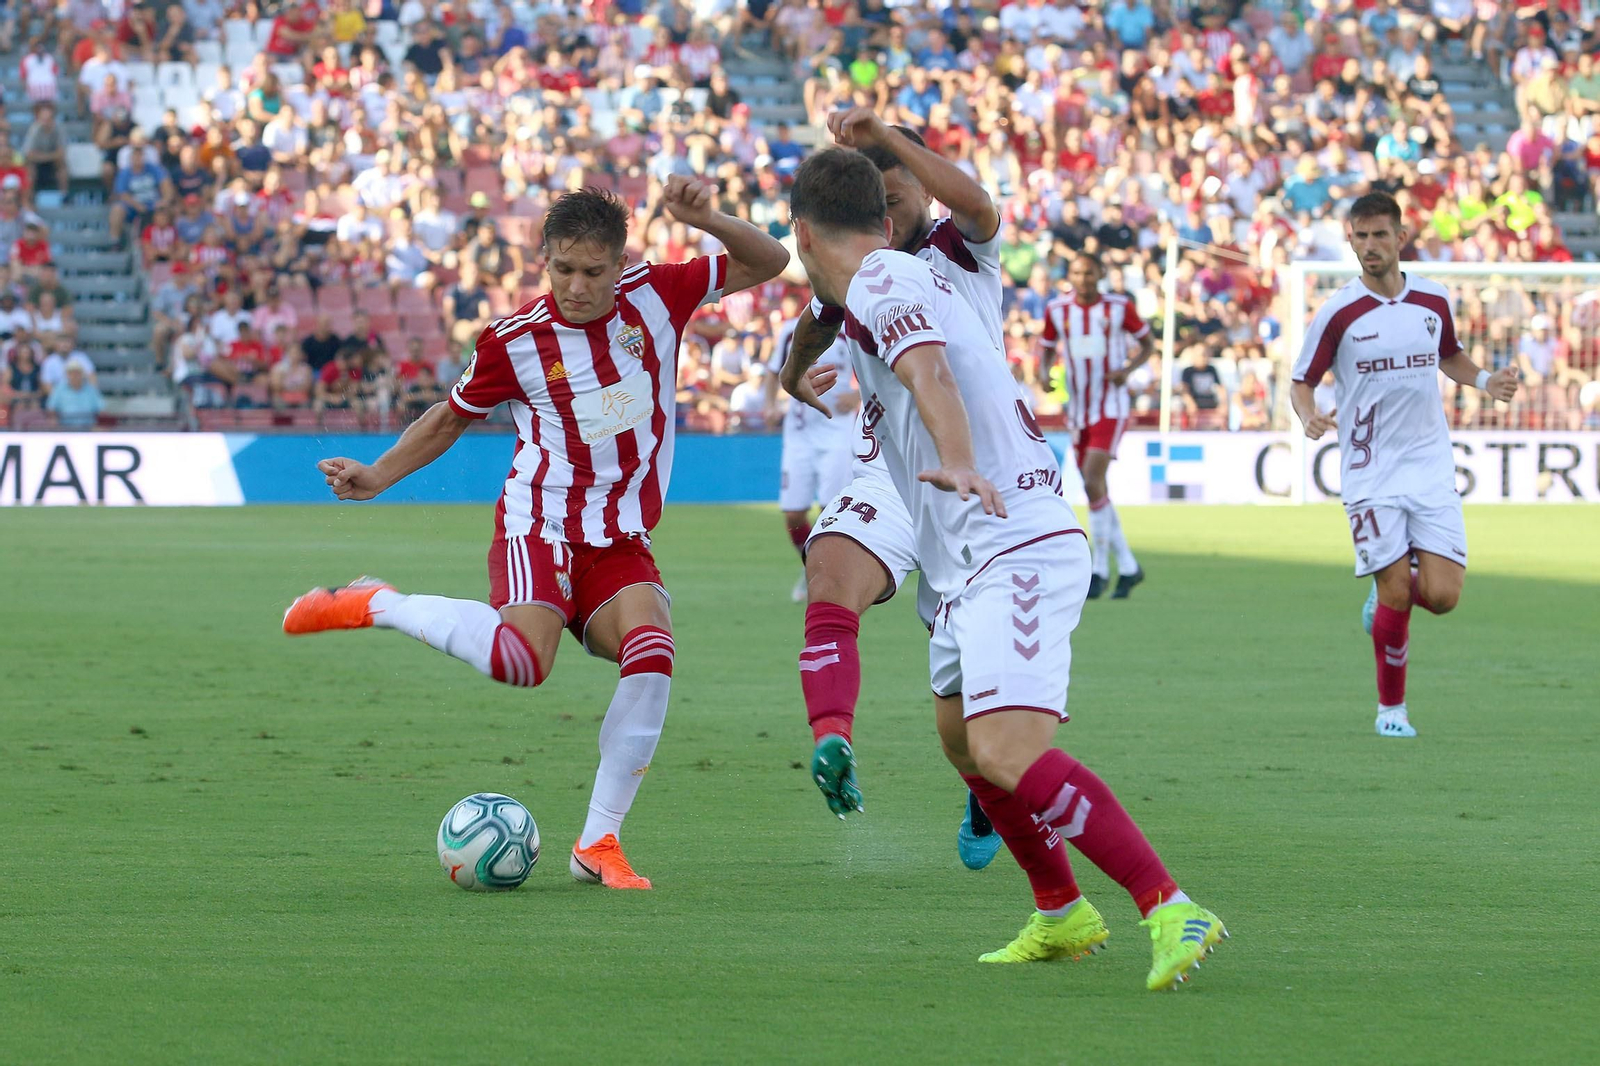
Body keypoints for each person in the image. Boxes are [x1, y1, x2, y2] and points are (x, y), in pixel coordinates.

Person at [787, 148, 1225, 990]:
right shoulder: (870, 283)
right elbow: (837, 330)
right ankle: (1061, 911)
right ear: (879, 219)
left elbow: (930, 371)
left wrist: (956, 459)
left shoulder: (883, 281)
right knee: (962, 742)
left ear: (803, 231)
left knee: (1006, 747)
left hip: (1011, 533)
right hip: (962, 558)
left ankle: (1169, 904)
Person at [281, 179, 788, 889]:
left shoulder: (658, 295)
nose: (576, 287)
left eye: (592, 272)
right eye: (562, 270)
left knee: (653, 651)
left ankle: (599, 843)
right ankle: (378, 604)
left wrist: (707, 220)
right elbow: (450, 417)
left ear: (621, 264)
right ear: (543, 260)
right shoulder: (515, 341)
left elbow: (770, 260)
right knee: (524, 662)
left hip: (618, 541)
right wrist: (379, 473)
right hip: (539, 526)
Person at [778, 109, 1009, 872]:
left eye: (895, 178)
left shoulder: (959, 250)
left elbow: (978, 204)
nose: (885, 195)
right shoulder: (853, 267)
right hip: (890, 471)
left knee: (973, 696)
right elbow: (814, 321)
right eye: (872, 183)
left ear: (916, 179)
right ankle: (830, 735)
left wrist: (897, 142)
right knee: (828, 576)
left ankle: (987, 782)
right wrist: (791, 377)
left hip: (976, 472)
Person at [1291, 192, 1519, 739]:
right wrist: (1308, 417)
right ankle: (1391, 711)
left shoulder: (1433, 300)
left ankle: (1387, 585)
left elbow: (1449, 354)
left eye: (1379, 235)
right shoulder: (1339, 311)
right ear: (1350, 239)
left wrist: (1487, 381)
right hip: (1370, 470)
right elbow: (1302, 380)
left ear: (1401, 237)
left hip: (1430, 465)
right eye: (1360, 236)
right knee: (1398, 591)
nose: (1369, 246)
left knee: (1441, 597)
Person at [1040, 252, 1153, 600]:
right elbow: (1045, 348)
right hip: (1078, 409)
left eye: (1089, 273)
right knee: (1096, 488)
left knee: (1091, 479)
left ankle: (1099, 569)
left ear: (1101, 273)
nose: (1084, 279)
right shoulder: (1057, 310)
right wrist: (1044, 374)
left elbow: (1148, 344)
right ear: (1069, 275)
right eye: (1077, 272)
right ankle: (1130, 567)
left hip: (1111, 406)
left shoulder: (1119, 307)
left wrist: (1127, 369)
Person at [765, 319, 856, 602]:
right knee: (793, 514)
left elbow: (879, 369)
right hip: (800, 434)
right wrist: (769, 404)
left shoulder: (851, 327)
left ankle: (828, 576)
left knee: (830, 510)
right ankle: (813, 569)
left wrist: (859, 393)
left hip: (838, 430)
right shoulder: (791, 329)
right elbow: (773, 373)